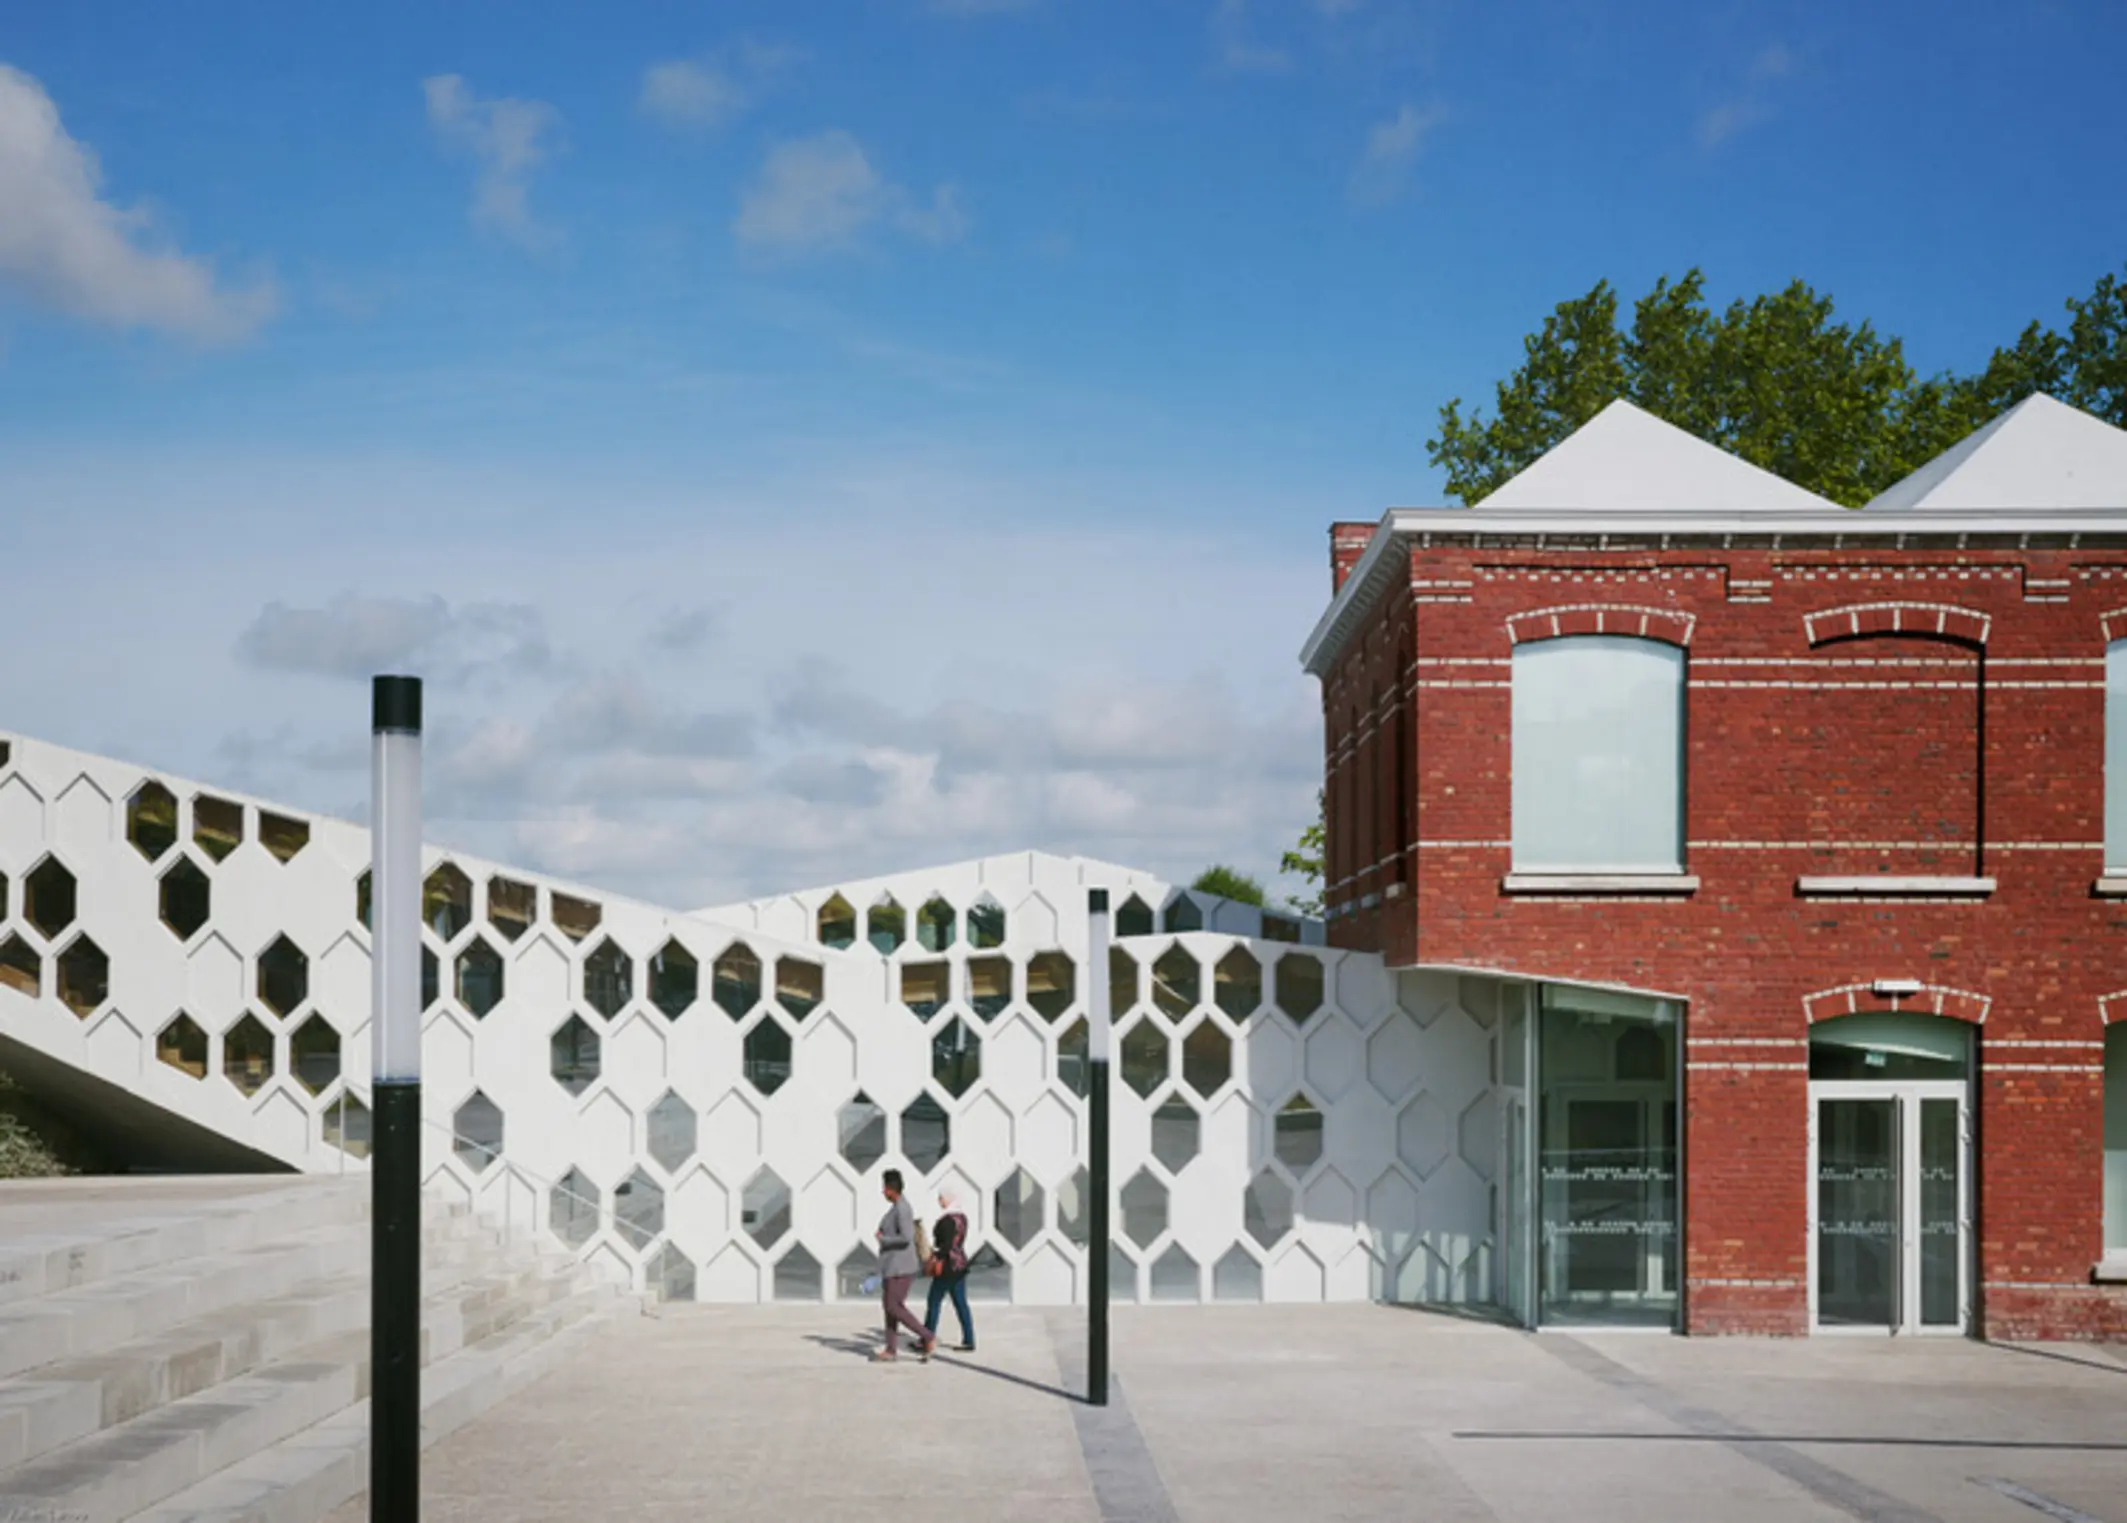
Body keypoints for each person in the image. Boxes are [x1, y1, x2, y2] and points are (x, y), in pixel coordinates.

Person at [872, 1169, 935, 1362]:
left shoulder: (902, 1208)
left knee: (894, 1306)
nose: (883, 1192)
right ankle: (891, 1349)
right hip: (892, 1267)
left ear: (890, 1189)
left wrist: (884, 1239)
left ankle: (927, 1336)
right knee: (890, 1308)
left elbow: (907, 1237)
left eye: (884, 1188)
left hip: (901, 1267)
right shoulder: (897, 1207)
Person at [923, 1188, 975, 1352]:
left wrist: (935, 1256)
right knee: (961, 1304)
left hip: (947, 1267)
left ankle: (927, 1339)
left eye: (942, 1198)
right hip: (960, 1265)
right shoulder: (962, 1218)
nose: (939, 1201)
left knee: (934, 1301)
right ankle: (969, 1340)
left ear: (949, 1199)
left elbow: (945, 1245)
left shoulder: (947, 1220)